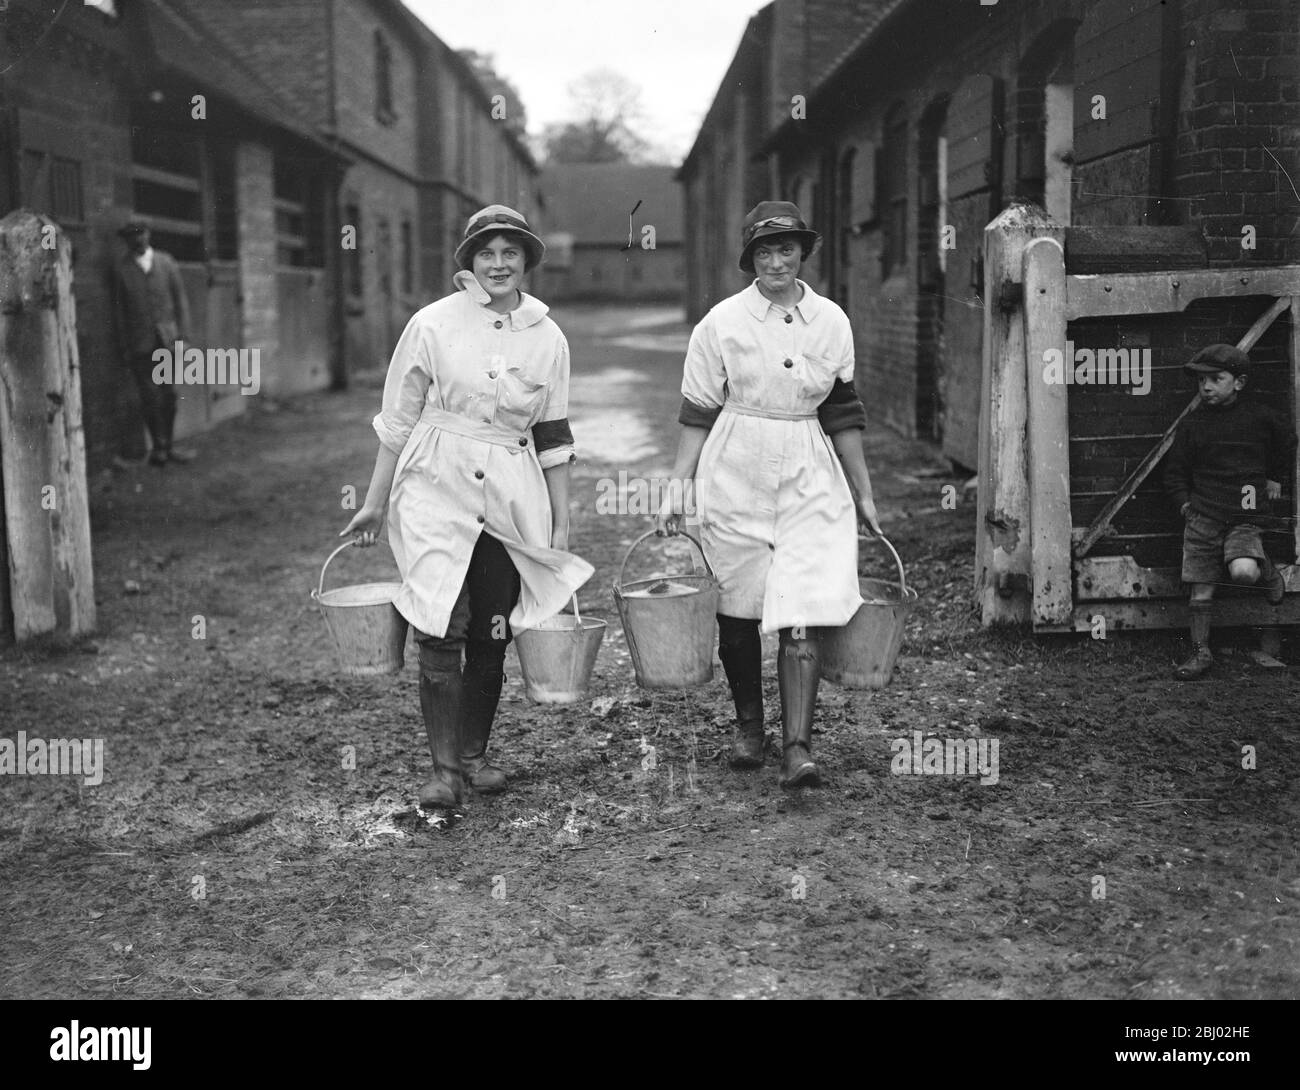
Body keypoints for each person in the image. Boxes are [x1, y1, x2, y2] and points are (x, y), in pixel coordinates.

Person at [342, 205, 592, 807]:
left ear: (527, 261)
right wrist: (374, 504)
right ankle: (443, 771)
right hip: (436, 483)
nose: (499, 263)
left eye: (510, 253)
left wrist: (559, 523)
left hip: (511, 492)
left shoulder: (548, 336)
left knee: (492, 626)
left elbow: (554, 437)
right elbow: (397, 423)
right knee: (441, 622)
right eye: (487, 253)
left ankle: (474, 756)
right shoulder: (430, 324)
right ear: (469, 261)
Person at [655, 201, 881, 788]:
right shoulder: (722, 323)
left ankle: (798, 745)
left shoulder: (831, 320)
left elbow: (842, 408)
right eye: (764, 251)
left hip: (809, 463)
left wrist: (864, 489)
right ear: (750, 260)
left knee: (802, 599)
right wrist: (679, 483)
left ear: (803, 253)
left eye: (786, 249)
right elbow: (698, 409)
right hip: (736, 463)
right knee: (738, 599)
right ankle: (749, 727)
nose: (776, 261)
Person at [1164, 343, 1295, 680]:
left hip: (1245, 515)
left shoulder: (1260, 417)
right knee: (1201, 589)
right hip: (1203, 516)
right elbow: (1175, 471)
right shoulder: (1193, 425)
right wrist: (1185, 505)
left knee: (1242, 573)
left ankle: (1266, 570)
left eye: (1215, 379)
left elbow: (1288, 440)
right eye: (1201, 380)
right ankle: (1199, 652)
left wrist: (1273, 477)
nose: (1206, 387)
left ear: (1238, 382)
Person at [110, 220, 196, 466]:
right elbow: (119, 312)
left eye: (140, 233)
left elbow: (181, 302)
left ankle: (169, 446)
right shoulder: (122, 269)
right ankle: (158, 449)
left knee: (169, 394)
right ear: (125, 240)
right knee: (149, 397)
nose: (137, 239)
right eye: (131, 236)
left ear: (148, 234)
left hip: (167, 340)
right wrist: (124, 346)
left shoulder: (166, 262)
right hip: (139, 343)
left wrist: (184, 337)